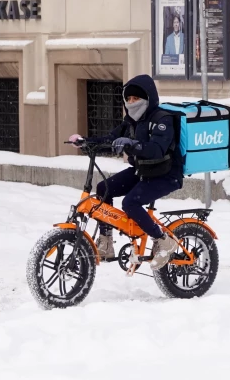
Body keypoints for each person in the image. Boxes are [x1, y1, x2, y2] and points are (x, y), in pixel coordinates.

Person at [69, 75, 183, 270]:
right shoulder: (130, 122)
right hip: (143, 171)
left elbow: (157, 149)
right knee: (104, 188)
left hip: (166, 174)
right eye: (128, 99)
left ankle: (163, 240)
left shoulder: (162, 119)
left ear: (149, 98)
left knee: (130, 202)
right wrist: (86, 141)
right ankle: (106, 243)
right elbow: (110, 139)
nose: (131, 103)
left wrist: (133, 145)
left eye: (136, 99)